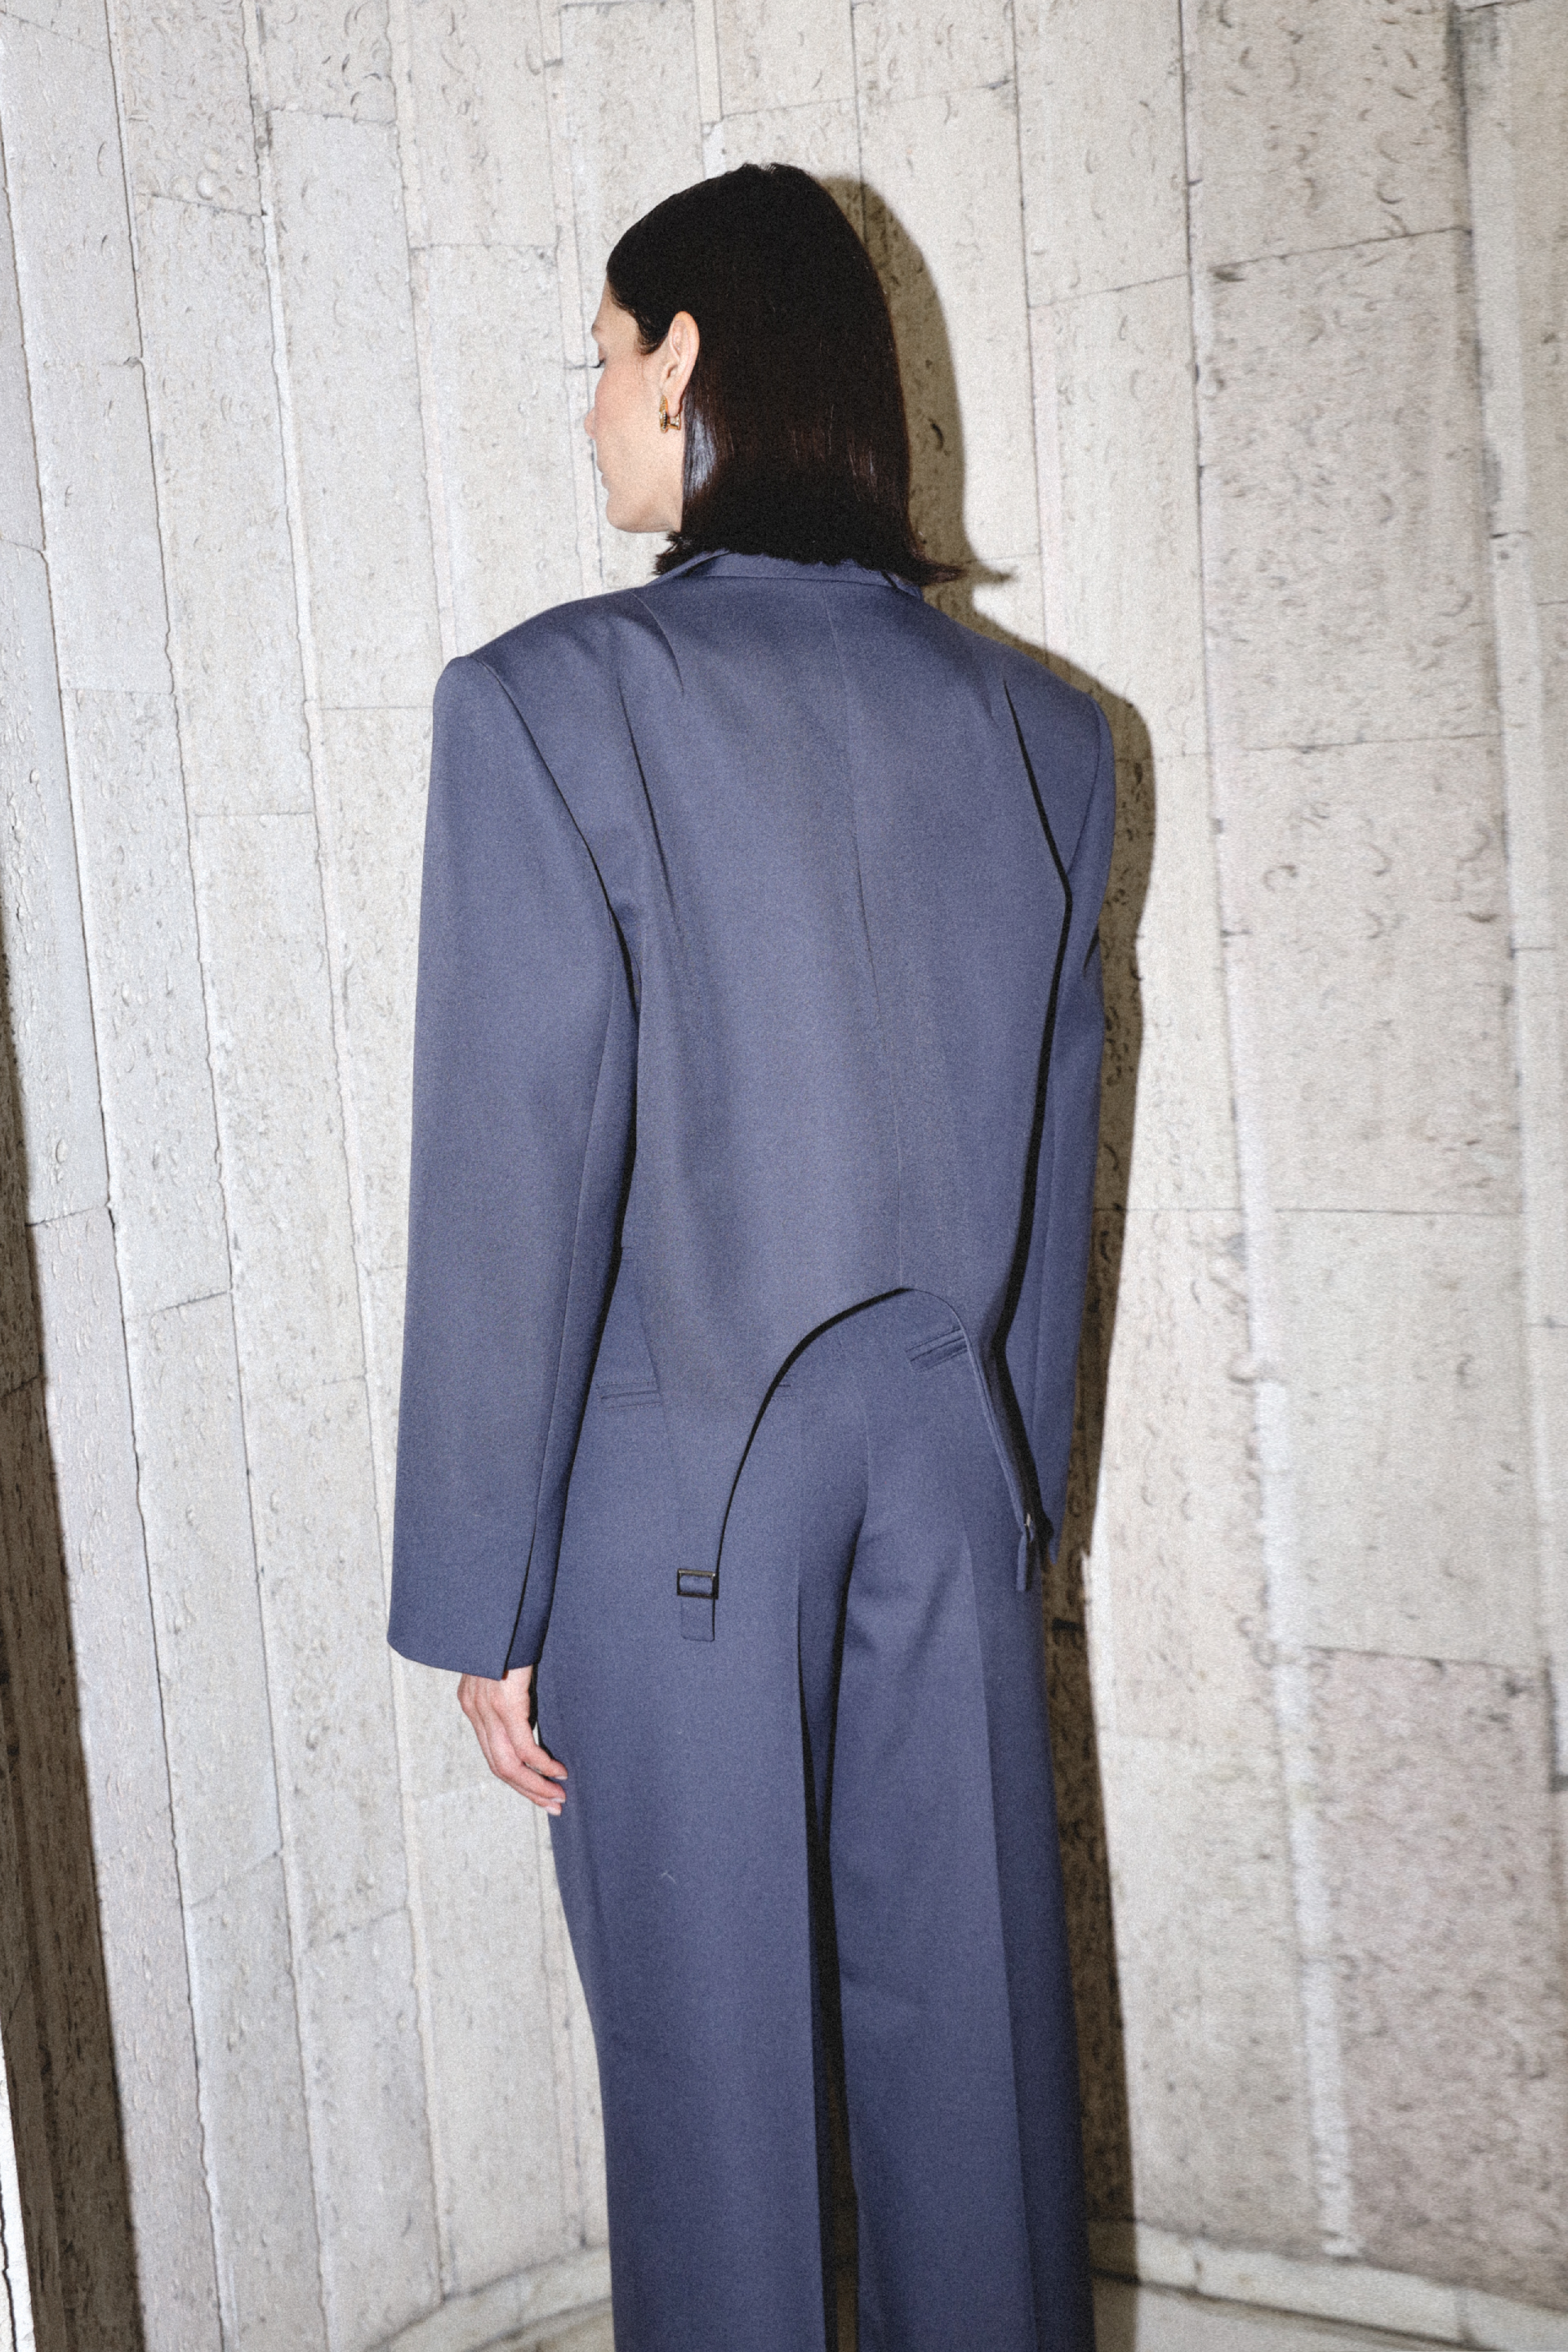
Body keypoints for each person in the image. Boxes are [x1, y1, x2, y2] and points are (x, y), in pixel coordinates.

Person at [389, 162, 1113, 2352]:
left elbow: (517, 1178)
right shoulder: (1045, 732)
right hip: (949, 1479)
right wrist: (1015, 1499)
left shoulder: (548, 702)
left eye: (604, 355)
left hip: (677, 1501)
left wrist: (483, 1594)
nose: (591, 406)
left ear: (687, 359)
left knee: (720, 2131)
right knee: (977, 2091)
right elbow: (1050, 1162)